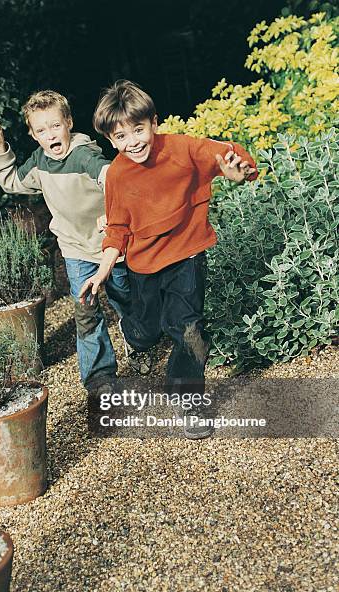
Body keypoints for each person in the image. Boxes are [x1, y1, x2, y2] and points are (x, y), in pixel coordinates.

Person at [79, 80, 258, 439]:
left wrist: (240, 171)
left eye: (138, 129)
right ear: (111, 141)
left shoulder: (181, 149)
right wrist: (102, 273)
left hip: (187, 255)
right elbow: (117, 229)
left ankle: (189, 400)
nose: (133, 142)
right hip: (144, 265)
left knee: (189, 328)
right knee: (146, 329)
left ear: (153, 123)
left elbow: (226, 154)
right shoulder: (116, 174)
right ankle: (133, 332)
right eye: (121, 136)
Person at [0, 89, 136, 400]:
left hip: (112, 243)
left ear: (68, 122)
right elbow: (13, 181)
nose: (50, 134)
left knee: (127, 300)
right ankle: (99, 377)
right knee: (86, 311)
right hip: (75, 248)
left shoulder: (83, 154)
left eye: (55, 125)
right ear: (32, 134)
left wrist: (112, 212)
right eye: (41, 129)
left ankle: (139, 343)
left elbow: (108, 174)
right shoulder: (39, 163)